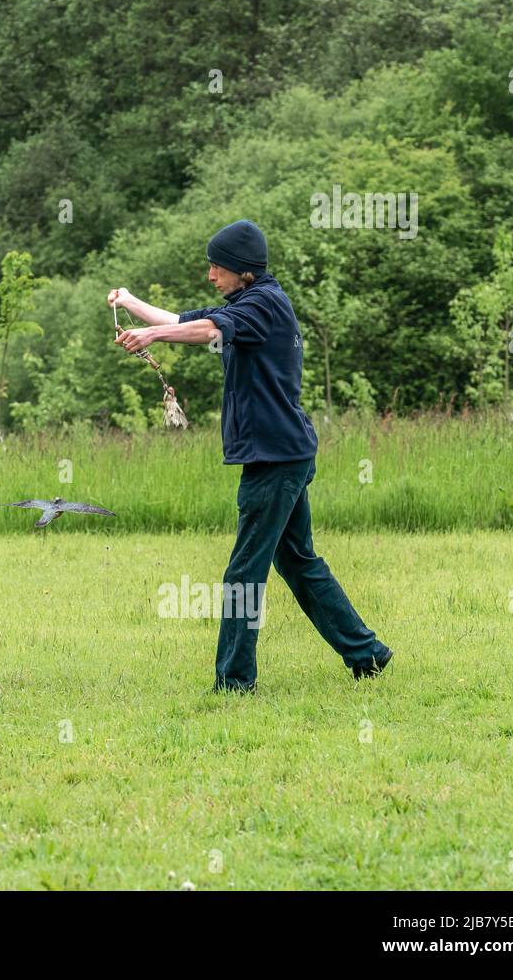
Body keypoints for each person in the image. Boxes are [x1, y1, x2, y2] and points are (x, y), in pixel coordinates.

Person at [108, 219, 392, 692]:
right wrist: (130, 302)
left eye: (216, 267)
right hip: (286, 452)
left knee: (244, 570)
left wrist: (152, 340)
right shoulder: (251, 301)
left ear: (242, 271)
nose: (210, 275)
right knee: (298, 560)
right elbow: (186, 321)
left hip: (274, 460)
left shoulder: (262, 306)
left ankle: (234, 681)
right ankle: (367, 654)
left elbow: (205, 330)